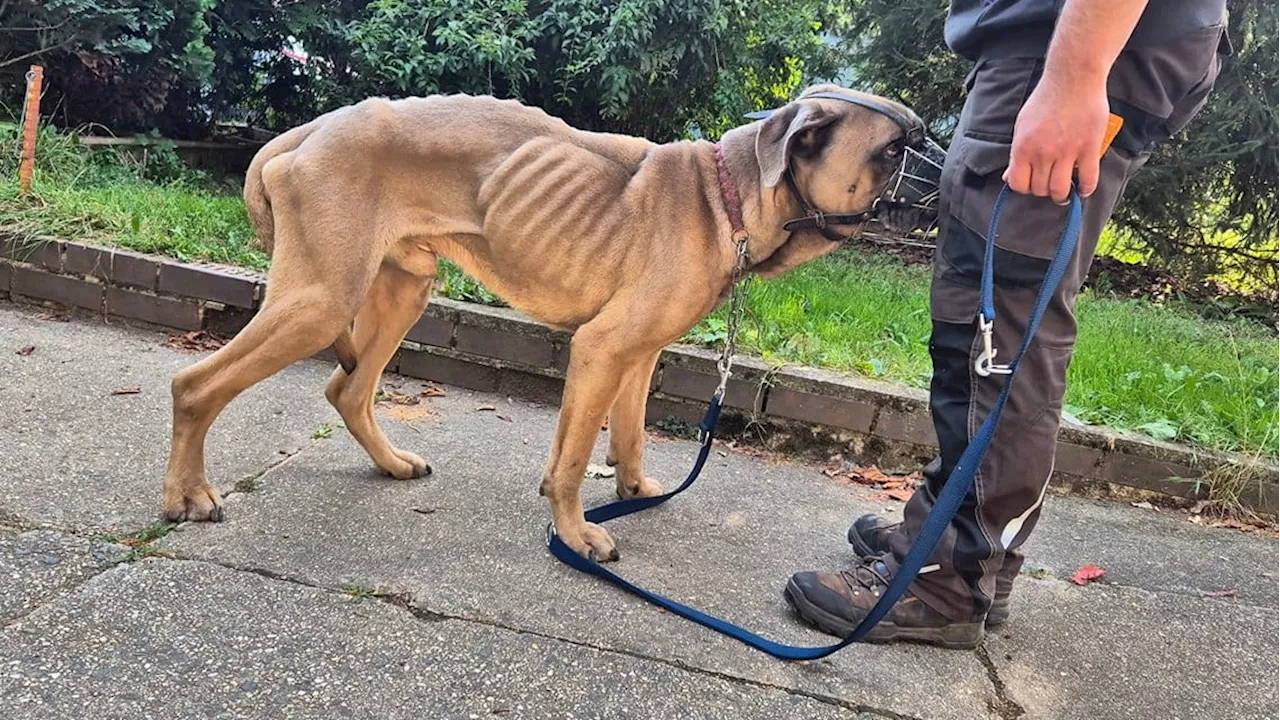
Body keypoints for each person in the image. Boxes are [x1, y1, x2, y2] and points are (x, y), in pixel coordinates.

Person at [784, 0, 1232, 649]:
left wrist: (1075, 75)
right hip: (1064, 45)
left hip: (1069, 43)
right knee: (1001, 306)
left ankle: (947, 576)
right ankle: (962, 543)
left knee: (1000, 315)